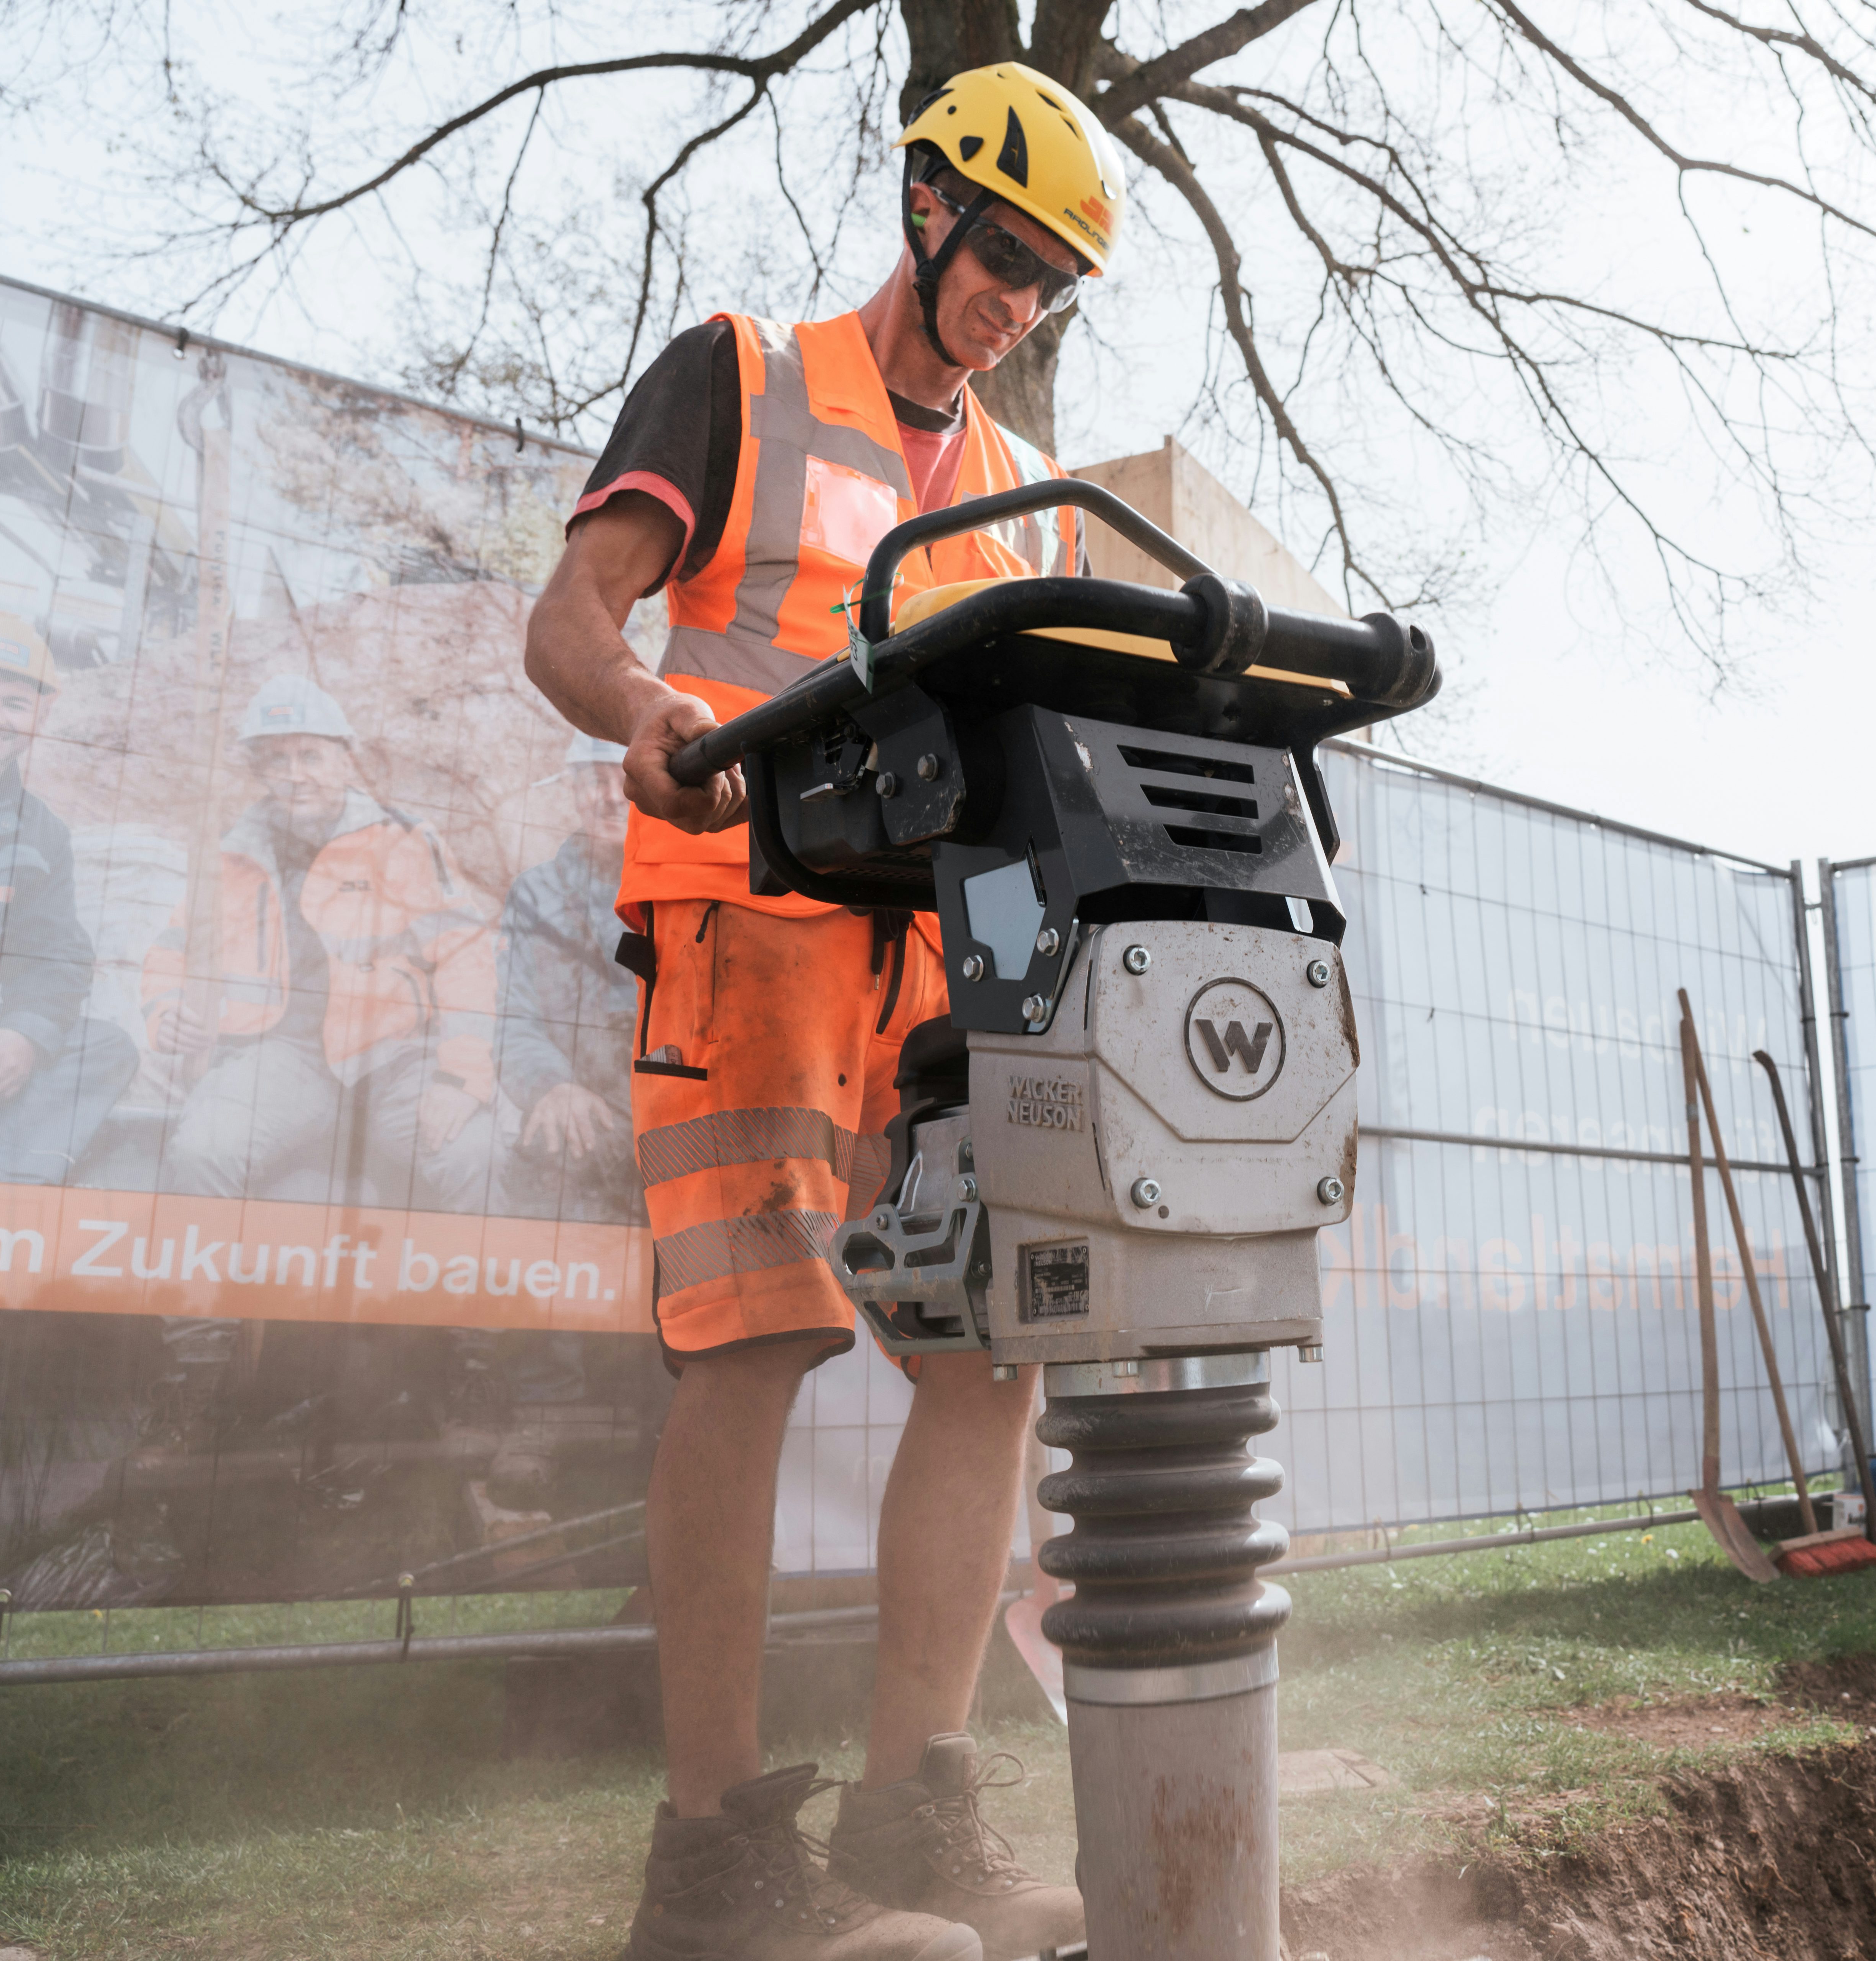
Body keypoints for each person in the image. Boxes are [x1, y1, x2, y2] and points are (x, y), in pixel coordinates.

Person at [524, 60, 1125, 1961]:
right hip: (747, 915)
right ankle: (707, 1867)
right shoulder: (745, 371)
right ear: (928, 204)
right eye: (1002, 255)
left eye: (1048, 285)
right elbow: (570, 619)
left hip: (936, 954)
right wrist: (646, 721)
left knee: (987, 1351)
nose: (1013, 303)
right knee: (760, 1337)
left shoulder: (1026, 505)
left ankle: (912, 1817)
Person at [142, 673, 498, 1211]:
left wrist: (460, 1077)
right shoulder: (232, 854)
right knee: (202, 1152)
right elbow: (174, 946)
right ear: (260, 771)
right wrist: (165, 1008)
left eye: (310, 756)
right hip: (282, 1057)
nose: (295, 776)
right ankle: (202, 1296)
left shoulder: (403, 841)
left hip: (397, 1057)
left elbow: (465, 958)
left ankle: (470, 1295)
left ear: (345, 759)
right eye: (277, 761)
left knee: (476, 1156)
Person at [0, 610, 137, 1184]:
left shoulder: (41, 833)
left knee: (101, 1049)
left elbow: (57, 957)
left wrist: (24, 1029)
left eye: (14, 705)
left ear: (40, 717)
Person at [492, 732, 641, 1223]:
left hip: (671, 1104)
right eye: (593, 782)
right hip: (582, 1104)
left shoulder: (681, 890)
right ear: (573, 793)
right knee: (547, 1165)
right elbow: (516, 1020)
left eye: (624, 781)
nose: (609, 797)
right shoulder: (536, 895)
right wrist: (551, 1085)